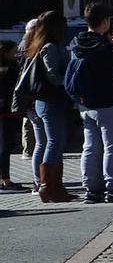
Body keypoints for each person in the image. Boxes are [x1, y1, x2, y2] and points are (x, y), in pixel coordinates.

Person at [69, 3, 113, 204]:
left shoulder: (76, 44)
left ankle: (91, 189)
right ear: (105, 22)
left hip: (85, 104)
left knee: (90, 147)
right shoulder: (107, 48)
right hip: (108, 103)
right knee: (112, 147)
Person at [19, 11, 71, 202]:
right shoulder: (49, 47)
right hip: (49, 100)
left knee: (53, 142)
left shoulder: (50, 45)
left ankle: (55, 185)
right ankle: (47, 186)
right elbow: (53, 75)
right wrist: (70, 81)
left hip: (51, 100)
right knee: (53, 142)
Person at [0, 38, 22, 191]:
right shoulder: (12, 67)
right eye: (14, 52)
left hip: (4, 110)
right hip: (7, 111)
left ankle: (3, 178)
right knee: (5, 145)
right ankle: (5, 179)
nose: (16, 54)